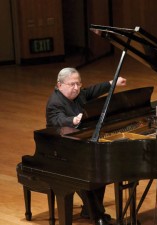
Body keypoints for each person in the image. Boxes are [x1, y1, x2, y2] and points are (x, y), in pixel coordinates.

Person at [46, 67, 126, 225]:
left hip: (78, 144)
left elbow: (92, 90)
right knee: (83, 174)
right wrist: (73, 120)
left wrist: (112, 83)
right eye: (72, 84)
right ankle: (97, 215)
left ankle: (90, 210)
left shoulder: (79, 93)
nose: (76, 88)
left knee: (100, 169)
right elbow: (57, 120)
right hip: (60, 151)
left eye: (78, 84)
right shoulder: (54, 103)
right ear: (59, 85)